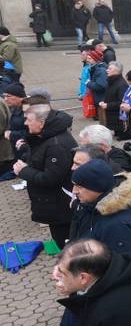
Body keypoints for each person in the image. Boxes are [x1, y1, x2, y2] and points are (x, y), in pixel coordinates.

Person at [12, 104, 76, 248]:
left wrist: (24, 171)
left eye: (28, 119)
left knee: (66, 243)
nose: (25, 123)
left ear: (41, 123)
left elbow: (51, 178)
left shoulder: (56, 145)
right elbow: (39, 157)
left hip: (60, 207)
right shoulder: (46, 137)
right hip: (54, 204)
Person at [69, 158, 131, 265]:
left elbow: (125, 270)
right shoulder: (89, 207)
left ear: (97, 186)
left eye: (79, 186)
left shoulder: (118, 225)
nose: (74, 191)